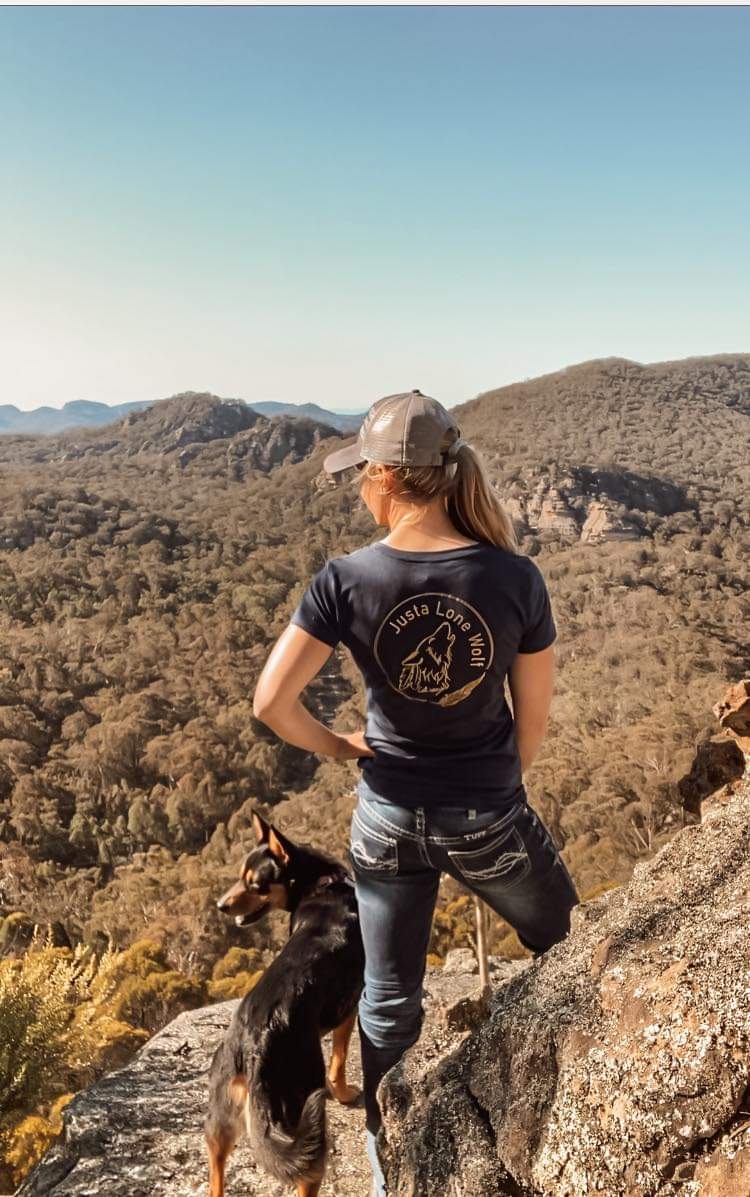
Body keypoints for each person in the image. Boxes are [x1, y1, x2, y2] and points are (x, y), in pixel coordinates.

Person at [251, 389, 581, 1196]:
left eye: (363, 473)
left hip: (387, 819)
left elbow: (270, 703)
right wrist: (490, 784)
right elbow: (530, 724)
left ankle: (388, 1162)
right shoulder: (513, 576)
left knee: (389, 999)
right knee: (572, 943)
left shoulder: (347, 579)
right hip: (486, 813)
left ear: (386, 480)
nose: (361, 486)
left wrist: (340, 746)